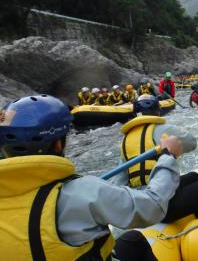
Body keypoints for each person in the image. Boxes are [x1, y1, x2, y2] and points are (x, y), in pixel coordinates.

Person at [0, 94, 185, 260]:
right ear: (58, 144)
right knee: (134, 239)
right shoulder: (82, 192)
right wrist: (168, 158)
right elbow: (151, 206)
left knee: (131, 240)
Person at [116, 94, 198, 223]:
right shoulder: (164, 129)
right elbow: (192, 144)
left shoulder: (125, 141)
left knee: (194, 176)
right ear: (157, 111)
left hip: (141, 204)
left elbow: (120, 183)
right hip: (164, 206)